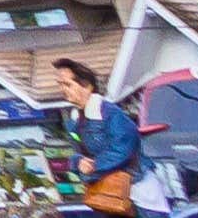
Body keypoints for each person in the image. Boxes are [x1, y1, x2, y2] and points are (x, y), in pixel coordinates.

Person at [57, 57, 143, 215]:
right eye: (60, 84)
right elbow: (78, 153)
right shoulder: (74, 121)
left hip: (134, 191)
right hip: (103, 193)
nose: (63, 89)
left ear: (87, 86)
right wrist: (78, 163)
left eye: (68, 84)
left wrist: (94, 166)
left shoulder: (110, 114)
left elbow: (124, 147)